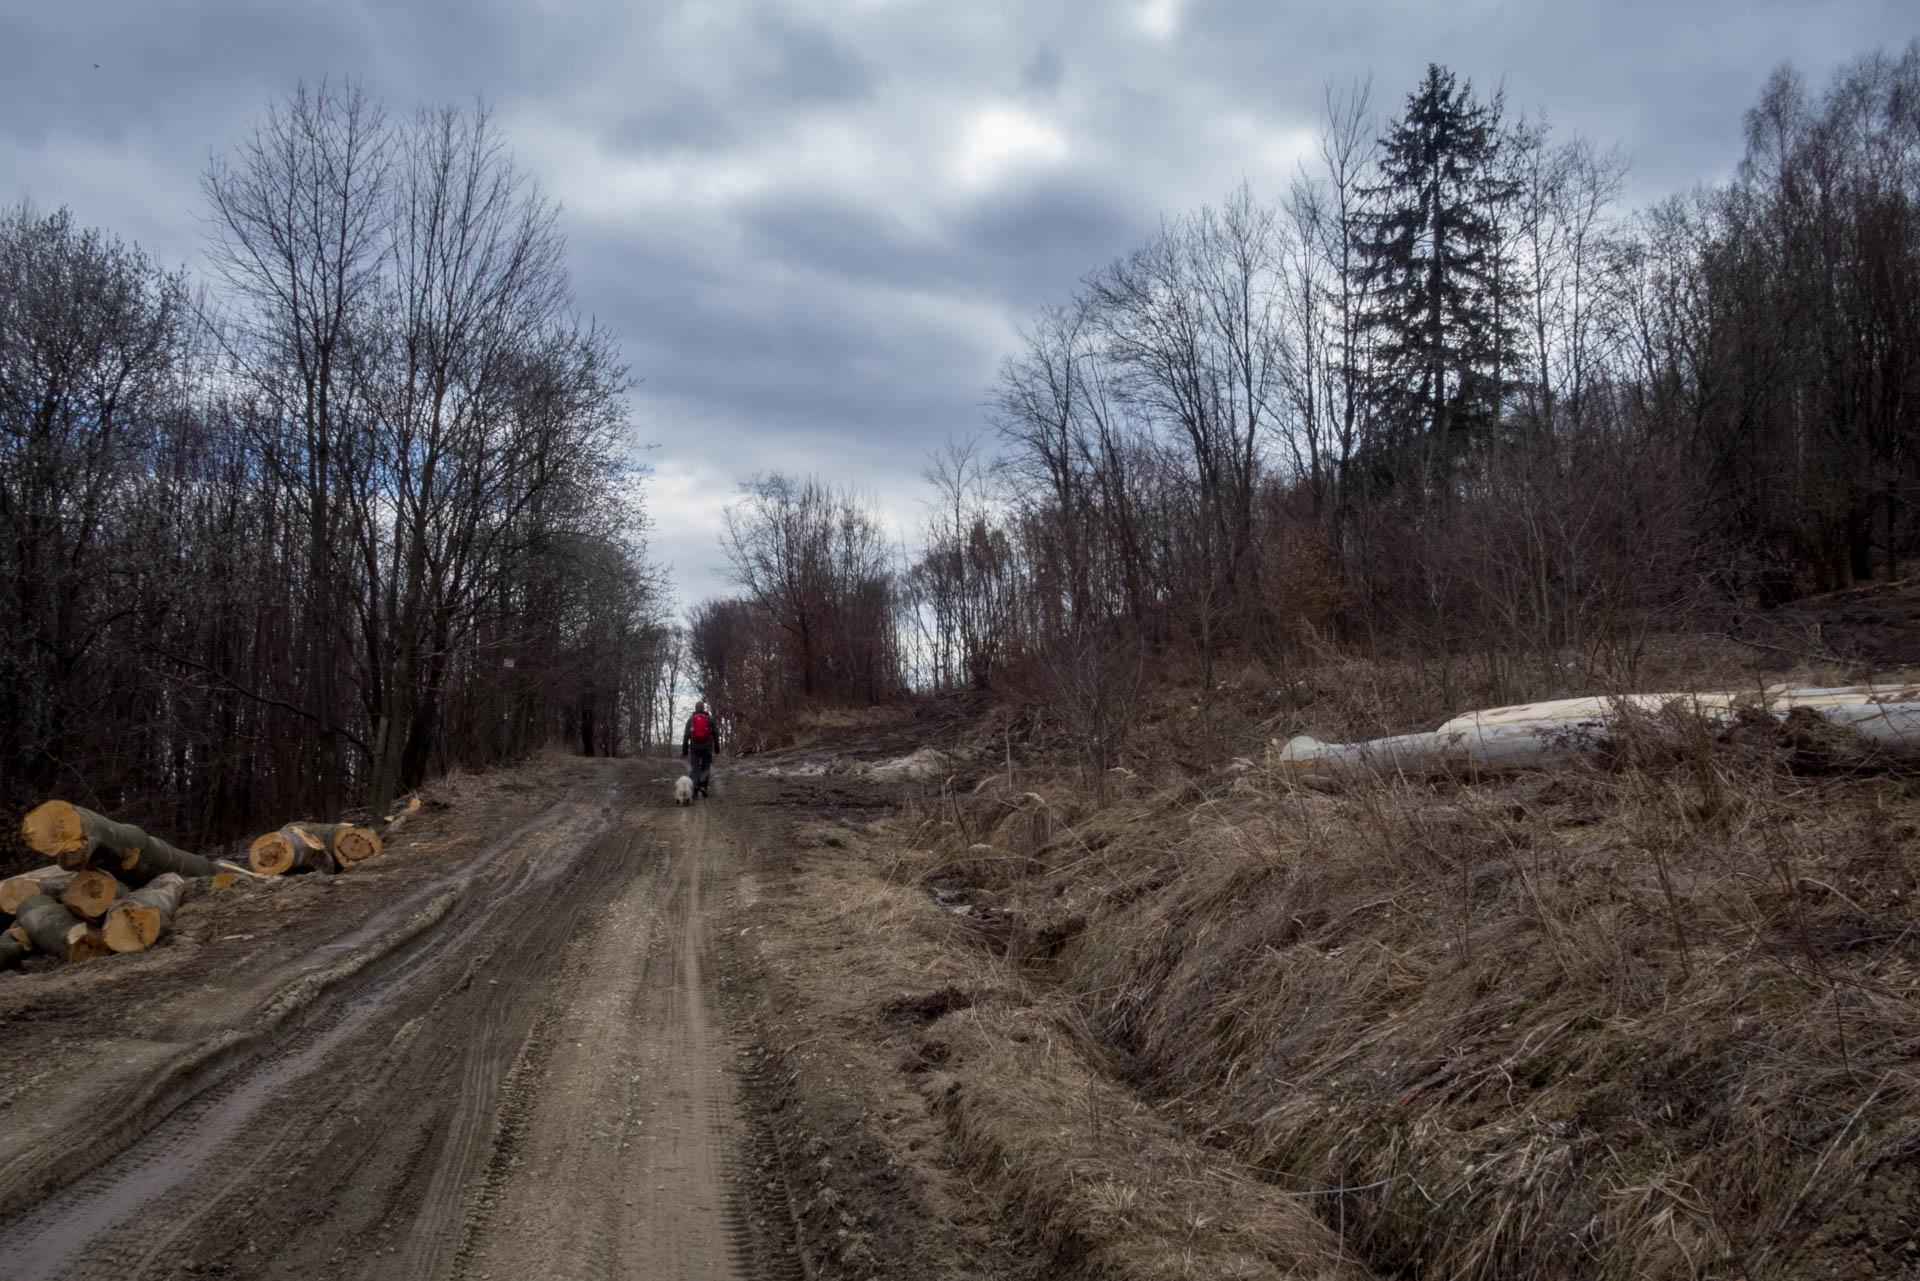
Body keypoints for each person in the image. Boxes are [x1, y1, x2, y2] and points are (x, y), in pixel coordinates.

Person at [681, 701, 718, 798]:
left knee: (695, 768)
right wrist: (717, 748)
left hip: (694, 748)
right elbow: (715, 734)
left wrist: (685, 749)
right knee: (706, 767)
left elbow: (686, 735)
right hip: (707, 747)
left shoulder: (691, 720)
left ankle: (695, 790)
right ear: (703, 708)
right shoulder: (710, 719)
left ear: (695, 708)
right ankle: (703, 786)